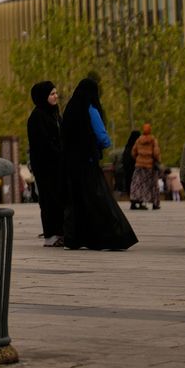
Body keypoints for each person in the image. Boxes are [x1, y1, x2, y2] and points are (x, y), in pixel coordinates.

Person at [59, 75, 137, 251]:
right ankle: (108, 238)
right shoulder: (90, 109)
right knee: (98, 199)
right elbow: (102, 137)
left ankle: (74, 239)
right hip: (88, 162)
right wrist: (103, 144)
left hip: (71, 163)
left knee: (76, 201)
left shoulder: (69, 109)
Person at [26, 82, 66, 246]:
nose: (56, 96)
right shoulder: (37, 117)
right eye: (52, 94)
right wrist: (58, 152)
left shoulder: (55, 114)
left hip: (58, 165)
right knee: (49, 199)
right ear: (43, 96)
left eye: (56, 93)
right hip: (45, 166)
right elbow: (42, 143)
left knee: (59, 198)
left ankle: (60, 232)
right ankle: (51, 235)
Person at [130, 123, 162, 210]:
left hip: (139, 165)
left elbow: (133, 152)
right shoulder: (153, 140)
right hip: (149, 165)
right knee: (152, 184)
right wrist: (158, 160)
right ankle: (155, 203)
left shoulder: (138, 140)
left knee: (138, 184)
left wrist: (138, 158)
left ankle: (135, 200)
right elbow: (156, 153)